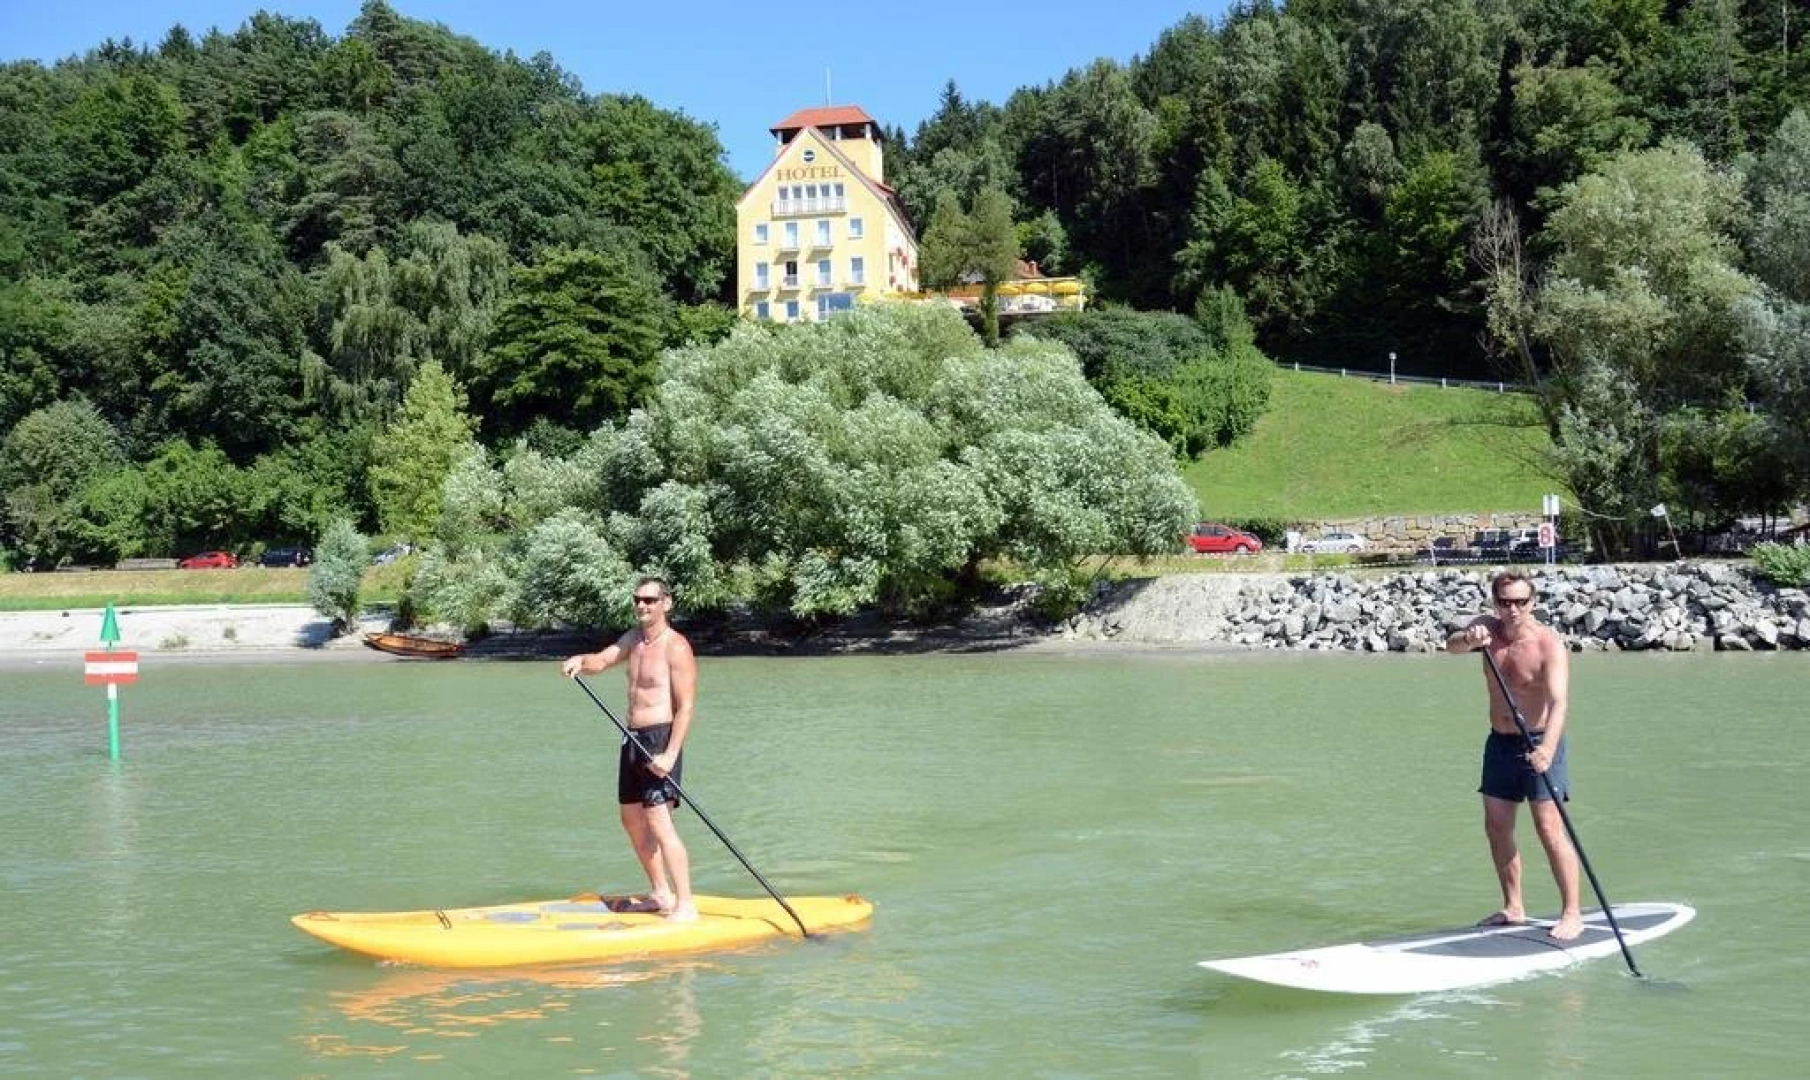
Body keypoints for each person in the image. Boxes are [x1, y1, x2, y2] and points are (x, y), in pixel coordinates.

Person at [1445, 570, 1582, 942]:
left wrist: (1547, 750)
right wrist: (1468, 638)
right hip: (1500, 743)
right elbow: (1452, 646)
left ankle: (1572, 912)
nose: (1513, 610)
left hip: (1540, 741)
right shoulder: (1487, 629)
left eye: (1520, 602)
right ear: (1495, 603)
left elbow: (1559, 702)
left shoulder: (1548, 645)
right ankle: (1514, 907)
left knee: (1550, 830)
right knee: (1496, 827)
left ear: (1532, 603)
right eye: (1505, 602)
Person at [561, 576, 699, 922]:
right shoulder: (633, 640)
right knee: (632, 820)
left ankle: (686, 904)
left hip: (660, 740)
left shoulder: (676, 646)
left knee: (659, 822)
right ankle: (660, 893)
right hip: (631, 738)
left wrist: (670, 754)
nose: (642, 605)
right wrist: (581, 659)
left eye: (650, 600)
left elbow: (686, 707)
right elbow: (603, 660)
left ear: (666, 603)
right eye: (638, 599)